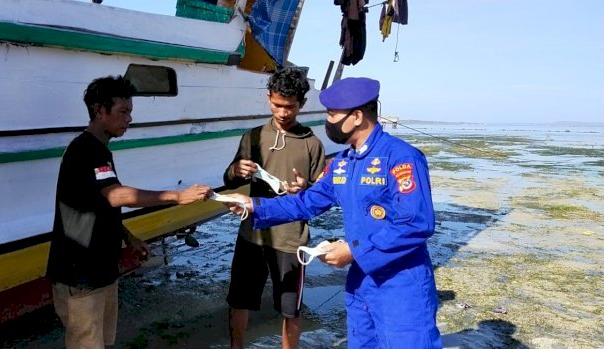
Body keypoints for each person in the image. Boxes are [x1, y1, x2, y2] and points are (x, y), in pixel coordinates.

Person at [224, 77, 442, 348]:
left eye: (332, 114)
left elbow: (416, 223)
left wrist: (353, 251)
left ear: (357, 116)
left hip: (401, 283)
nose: (327, 121)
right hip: (361, 282)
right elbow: (305, 202)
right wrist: (253, 206)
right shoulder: (342, 164)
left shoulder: (401, 158)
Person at [46, 76, 211, 349]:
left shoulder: (99, 151)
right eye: (123, 112)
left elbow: (94, 203)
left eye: (130, 112)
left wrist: (127, 236)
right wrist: (177, 196)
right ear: (100, 111)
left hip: (101, 273)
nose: (129, 119)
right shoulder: (85, 150)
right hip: (80, 277)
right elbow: (116, 195)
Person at [223, 68, 326, 349]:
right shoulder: (252, 137)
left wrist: (305, 188)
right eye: (277, 105)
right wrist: (235, 170)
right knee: (239, 300)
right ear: (268, 98)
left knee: (290, 308)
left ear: (302, 104)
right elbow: (228, 179)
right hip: (252, 233)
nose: (282, 112)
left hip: (291, 239)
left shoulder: (312, 144)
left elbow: (322, 195)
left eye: (290, 106)